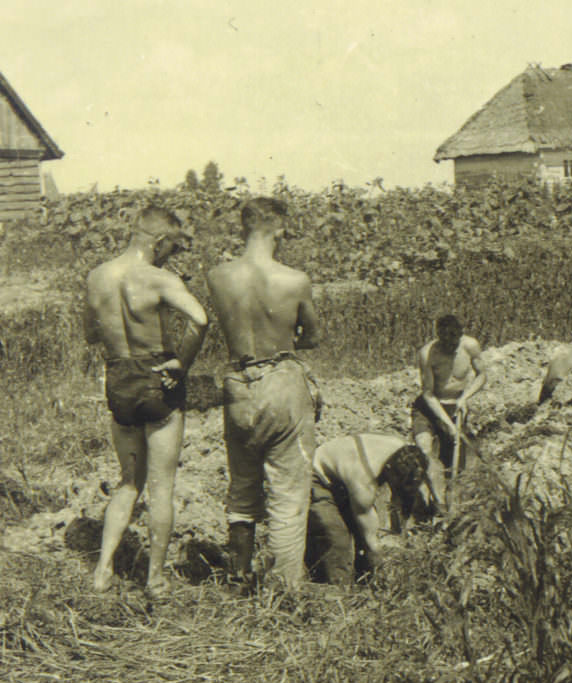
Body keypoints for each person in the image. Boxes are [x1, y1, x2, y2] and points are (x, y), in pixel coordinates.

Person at [84, 206, 209, 596]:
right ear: (158, 240)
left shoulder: (97, 276)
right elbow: (200, 319)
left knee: (127, 482)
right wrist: (182, 363)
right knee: (162, 487)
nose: (173, 254)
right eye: (171, 245)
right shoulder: (158, 278)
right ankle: (155, 578)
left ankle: (103, 570)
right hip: (157, 379)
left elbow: (91, 334)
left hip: (118, 377)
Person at [206, 197, 320, 589]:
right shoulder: (295, 280)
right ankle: (285, 591)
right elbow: (314, 336)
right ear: (279, 230)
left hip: (237, 384)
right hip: (282, 379)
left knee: (242, 487)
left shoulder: (218, 276)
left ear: (243, 228)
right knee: (288, 493)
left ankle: (238, 578)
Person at [305, 433, 444, 585]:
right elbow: (370, 539)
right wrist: (382, 566)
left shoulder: (402, 448)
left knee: (360, 532)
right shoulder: (363, 482)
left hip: (343, 473)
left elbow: (430, 471)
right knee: (338, 537)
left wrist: (439, 503)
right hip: (317, 475)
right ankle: (339, 588)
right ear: (390, 470)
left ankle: (364, 578)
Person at [412, 315, 487, 478]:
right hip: (429, 408)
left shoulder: (470, 346)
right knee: (424, 451)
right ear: (438, 335)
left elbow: (482, 376)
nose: (448, 344)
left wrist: (464, 398)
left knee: (454, 466)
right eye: (443, 339)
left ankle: (449, 493)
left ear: (460, 334)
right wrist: (448, 424)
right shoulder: (427, 354)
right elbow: (428, 393)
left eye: (453, 338)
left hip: (455, 407)